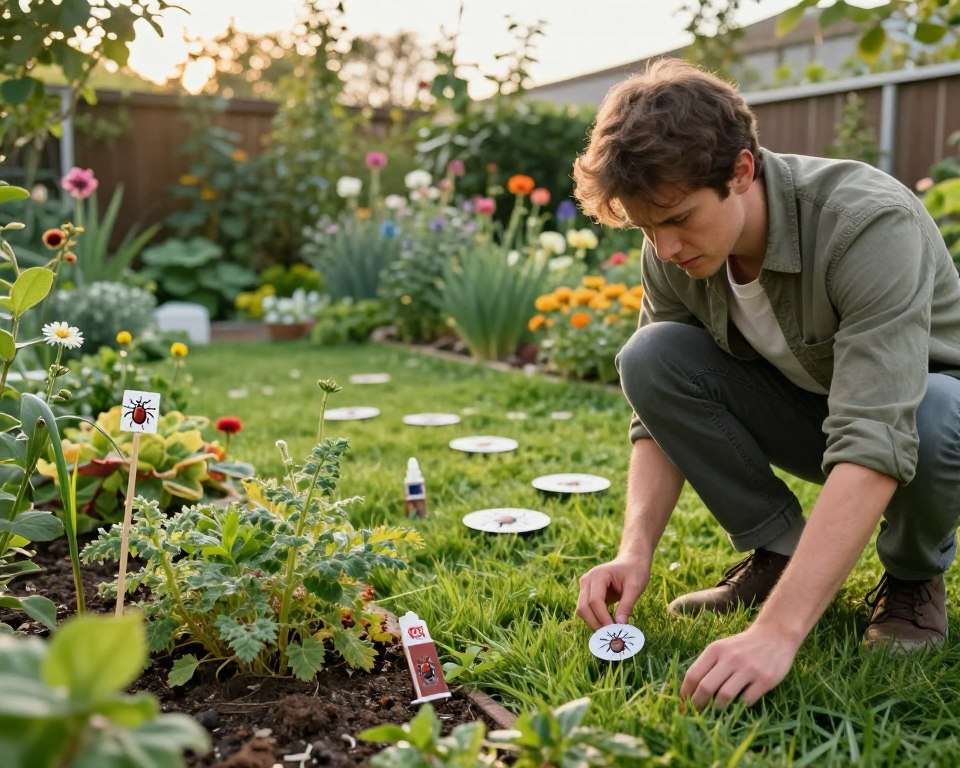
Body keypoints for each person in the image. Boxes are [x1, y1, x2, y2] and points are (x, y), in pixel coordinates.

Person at [572, 58, 960, 710]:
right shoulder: (673, 245)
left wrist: (778, 633)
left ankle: (913, 578)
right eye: (646, 228)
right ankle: (778, 554)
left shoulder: (866, 224)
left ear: (742, 171)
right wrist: (633, 551)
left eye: (677, 220)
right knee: (651, 354)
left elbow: (875, 435)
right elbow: (656, 405)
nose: (665, 248)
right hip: (818, 413)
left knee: (938, 412)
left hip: (921, 428)